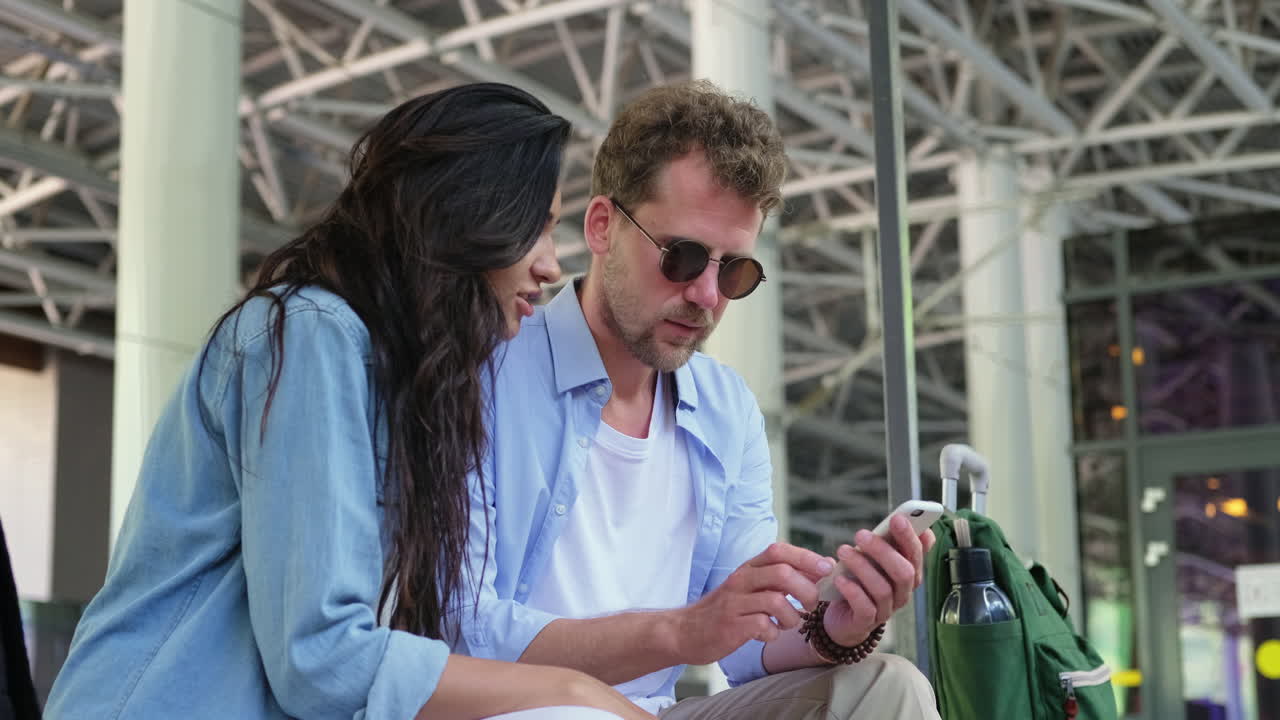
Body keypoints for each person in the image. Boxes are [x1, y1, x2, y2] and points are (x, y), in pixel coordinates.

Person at [45, 83, 652, 720]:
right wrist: (573, 690)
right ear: (469, 215)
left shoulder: (395, 371)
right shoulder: (312, 334)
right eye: (538, 227)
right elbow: (322, 659)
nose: (552, 266)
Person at [451, 80, 942, 719]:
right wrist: (683, 631)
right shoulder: (485, 371)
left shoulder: (724, 408)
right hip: (516, 711)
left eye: (735, 270)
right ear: (602, 227)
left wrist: (837, 627)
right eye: (682, 257)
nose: (708, 296)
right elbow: (465, 635)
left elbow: (746, 647)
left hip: (655, 712)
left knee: (889, 686)